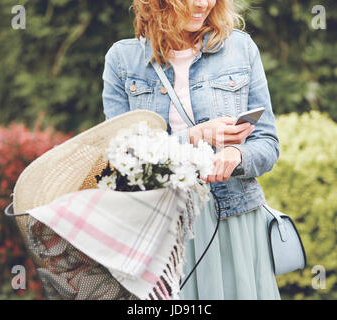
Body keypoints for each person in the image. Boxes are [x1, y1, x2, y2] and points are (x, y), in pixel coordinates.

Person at [102, 0, 281, 300]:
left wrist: (237, 155)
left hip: (234, 220)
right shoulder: (122, 60)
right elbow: (122, 160)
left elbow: (268, 142)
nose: (202, 4)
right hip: (162, 230)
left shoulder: (241, 48)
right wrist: (193, 137)